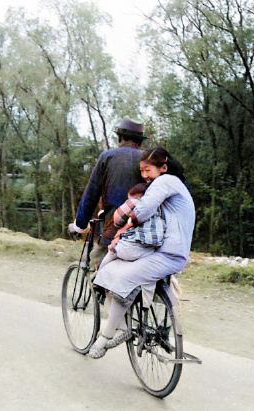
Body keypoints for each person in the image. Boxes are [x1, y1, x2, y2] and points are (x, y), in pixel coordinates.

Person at [88, 147, 194, 359]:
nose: (144, 175)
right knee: (115, 268)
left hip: (169, 254)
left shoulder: (165, 181)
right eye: (142, 171)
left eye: (148, 170)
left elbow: (142, 211)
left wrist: (126, 226)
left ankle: (107, 336)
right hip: (164, 250)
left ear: (163, 168)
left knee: (123, 277)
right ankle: (126, 324)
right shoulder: (174, 185)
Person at [68, 118, 147, 267]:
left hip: (113, 229)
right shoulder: (149, 160)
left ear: (120, 137)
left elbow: (91, 194)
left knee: (98, 267)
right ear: (140, 141)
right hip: (144, 231)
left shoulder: (107, 157)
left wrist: (80, 225)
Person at [98, 182, 165, 269]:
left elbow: (117, 218)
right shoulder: (159, 207)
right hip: (152, 250)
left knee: (112, 250)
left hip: (132, 246)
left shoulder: (136, 201)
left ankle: (99, 273)